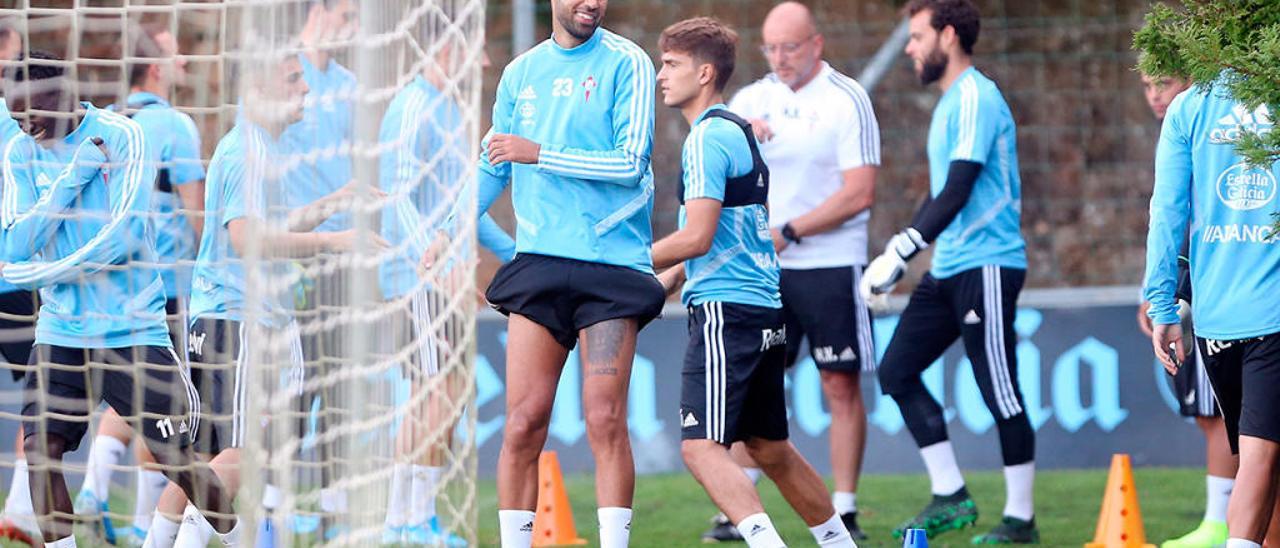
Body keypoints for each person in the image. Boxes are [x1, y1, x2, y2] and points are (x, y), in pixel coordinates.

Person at [140, 46, 381, 548]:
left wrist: (333, 204)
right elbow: (246, 238)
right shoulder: (248, 150)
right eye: (292, 79)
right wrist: (332, 242)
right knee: (246, 453)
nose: (306, 88)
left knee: (206, 460)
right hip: (241, 321)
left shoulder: (256, 147)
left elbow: (267, 229)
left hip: (221, 318)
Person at [2, 50, 238, 547]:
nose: (21, 123)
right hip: (61, 329)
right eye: (13, 111)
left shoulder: (125, 135)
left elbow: (122, 238)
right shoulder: (19, 153)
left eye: (30, 110)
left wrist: (41, 270)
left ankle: (232, 533)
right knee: (42, 451)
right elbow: (14, 243)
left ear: (63, 94)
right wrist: (73, 179)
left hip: (131, 330)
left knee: (181, 464)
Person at [651, 16, 857, 548]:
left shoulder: (705, 141)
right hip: (763, 309)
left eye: (670, 65)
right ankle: (841, 543)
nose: (660, 76)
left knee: (700, 448)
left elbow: (696, 237)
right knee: (770, 449)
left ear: (704, 73)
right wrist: (664, 281)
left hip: (728, 313)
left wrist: (623, 261)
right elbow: (722, 236)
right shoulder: (738, 130)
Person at [475, 0, 663, 546]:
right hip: (540, 265)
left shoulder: (628, 63)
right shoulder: (520, 73)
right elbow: (496, 163)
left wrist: (540, 153)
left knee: (604, 419)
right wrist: (443, 230)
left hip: (611, 270)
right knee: (522, 423)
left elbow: (631, 164)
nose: (593, 2)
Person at [862, 0, 1037, 542]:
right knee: (896, 370)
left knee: (999, 392)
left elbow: (959, 190)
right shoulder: (949, 105)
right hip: (952, 266)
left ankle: (1021, 520)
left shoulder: (977, 98)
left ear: (950, 35)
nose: (910, 48)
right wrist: (902, 255)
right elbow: (941, 197)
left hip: (988, 265)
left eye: (917, 36)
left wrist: (898, 253)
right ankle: (950, 494)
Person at [712, 2, 880, 541]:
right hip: (761, 270)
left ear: (816, 44)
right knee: (753, 383)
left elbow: (860, 192)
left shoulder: (846, 98)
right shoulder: (751, 100)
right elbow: (718, 165)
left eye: (790, 47)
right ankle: (740, 506)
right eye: (770, 48)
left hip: (830, 264)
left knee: (839, 383)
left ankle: (846, 505)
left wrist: (792, 230)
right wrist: (741, 133)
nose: (780, 59)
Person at [375, 23, 514, 546]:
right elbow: (397, 196)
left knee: (449, 395)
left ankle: (417, 518)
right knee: (434, 395)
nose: (480, 65)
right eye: (475, 53)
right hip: (417, 279)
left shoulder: (450, 109)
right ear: (447, 47)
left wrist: (516, 254)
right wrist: (432, 263)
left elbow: (461, 209)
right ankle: (403, 522)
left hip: (444, 277)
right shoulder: (413, 107)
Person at [73, 21, 209, 546]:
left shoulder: (106, 122)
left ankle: (115, 507)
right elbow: (199, 211)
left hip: (110, 283)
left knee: (135, 399)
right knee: (168, 406)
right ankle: (107, 497)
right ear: (156, 67)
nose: (185, 67)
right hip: (167, 285)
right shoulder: (175, 125)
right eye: (177, 58)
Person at [1144, 72, 1280, 548]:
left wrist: (1162, 301)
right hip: (1269, 311)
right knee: (1261, 458)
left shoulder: (1189, 106)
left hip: (1216, 315)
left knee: (1261, 459)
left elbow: (1168, 210)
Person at [1132, 67, 1236, 548]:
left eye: (1165, 85)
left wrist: (1175, 295)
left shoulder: (1208, 135)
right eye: (1148, 87)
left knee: (1219, 413)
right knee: (1206, 412)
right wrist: (1152, 292)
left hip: (1210, 291)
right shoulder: (1179, 132)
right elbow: (1166, 222)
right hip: (1188, 288)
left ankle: (1220, 525)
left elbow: (1195, 224)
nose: (1156, 97)